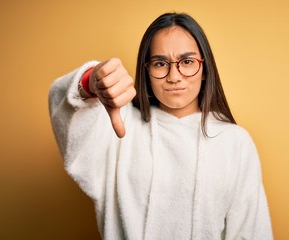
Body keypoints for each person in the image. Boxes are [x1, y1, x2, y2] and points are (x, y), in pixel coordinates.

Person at [49, 12, 273, 240]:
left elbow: (251, 232)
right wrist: (91, 81)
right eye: (160, 63)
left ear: (205, 69)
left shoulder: (235, 142)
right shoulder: (120, 128)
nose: (174, 76)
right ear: (146, 70)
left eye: (187, 62)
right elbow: (68, 118)